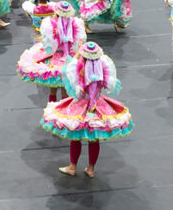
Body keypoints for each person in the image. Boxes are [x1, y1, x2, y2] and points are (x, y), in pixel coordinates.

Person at [41, 42, 133, 178]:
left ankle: (72, 166)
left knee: (75, 137)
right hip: (98, 105)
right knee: (94, 139)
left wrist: (79, 53)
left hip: (80, 106)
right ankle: (91, 169)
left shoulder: (80, 69)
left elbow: (72, 81)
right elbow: (109, 86)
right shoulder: (101, 68)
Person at [17, 1, 86, 103]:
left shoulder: (50, 25)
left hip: (55, 56)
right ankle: (63, 107)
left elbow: (49, 47)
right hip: (70, 56)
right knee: (64, 84)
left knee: (53, 83)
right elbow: (79, 42)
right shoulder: (75, 23)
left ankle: (52, 103)